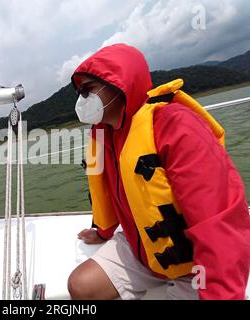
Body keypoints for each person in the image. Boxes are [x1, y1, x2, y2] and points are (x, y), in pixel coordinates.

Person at [68, 43, 250, 300]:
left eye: (88, 90)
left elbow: (217, 219)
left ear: (118, 83)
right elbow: (114, 197)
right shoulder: (103, 137)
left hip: (192, 262)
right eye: (80, 93)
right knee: (81, 286)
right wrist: (102, 232)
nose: (82, 100)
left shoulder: (174, 124)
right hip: (141, 248)